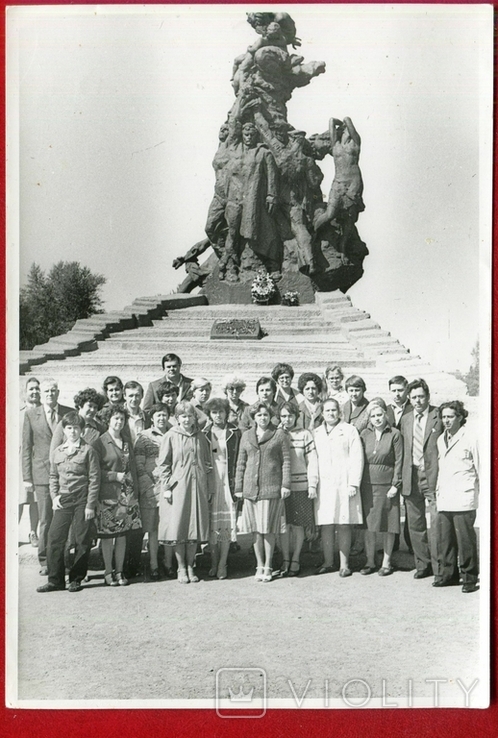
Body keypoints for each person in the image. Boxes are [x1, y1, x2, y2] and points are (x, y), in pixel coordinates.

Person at [37, 412, 100, 593]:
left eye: (76, 428)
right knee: (55, 538)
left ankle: (76, 579)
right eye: (69, 428)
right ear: (64, 430)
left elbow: (94, 479)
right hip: (63, 498)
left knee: (82, 539)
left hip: (82, 498)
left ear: (82, 430)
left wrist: (90, 505)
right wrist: (55, 496)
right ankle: (55, 580)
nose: (73, 432)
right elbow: (53, 476)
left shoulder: (88, 451)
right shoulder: (58, 452)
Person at [157, 401, 214, 584]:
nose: (187, 419)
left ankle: (191, 565)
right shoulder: (171, 436)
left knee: (194, 528)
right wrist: (166, 487)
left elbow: (207, 462)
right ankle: (181, 567)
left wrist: (208, 485)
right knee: (179, 528)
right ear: (177, 418)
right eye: (183, 416)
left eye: (190, 415)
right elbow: (164, 464)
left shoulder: (200, 437)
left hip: (198, 487)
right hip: (178, 488)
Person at [235, 403, 291, 582]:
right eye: (259, 415)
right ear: (254, 417)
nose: (263, 418)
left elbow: (286, 462)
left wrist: (285, 485)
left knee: (268, 530)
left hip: (270, 488)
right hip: (251, 490)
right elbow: (241, 463)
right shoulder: (246, 436)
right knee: (256, 531)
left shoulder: (279, 434)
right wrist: (238, 487)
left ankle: (268, 564)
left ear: (270, 416)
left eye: (266, 415)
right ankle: (259, 564)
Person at [22, 379, 73, 575]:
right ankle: (44, 561)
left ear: (58, 392)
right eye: (46, 391)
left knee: (65, 519)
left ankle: (65, 560)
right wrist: (27, 477)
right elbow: (26, 448)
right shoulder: (30, 415)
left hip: (65, 475)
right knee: (45, 519)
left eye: (53, 390)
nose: (50, 394)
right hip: (42, 475)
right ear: (41, 394)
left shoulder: (68, 412)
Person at [314, 399, 364, 577]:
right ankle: (328, 562)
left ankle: (344, 565)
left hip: (344, 484)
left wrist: (353, 483)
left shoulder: (349, 430)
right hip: (324, 485)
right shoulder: (317, 432)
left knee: (343, 523)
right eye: (327, 411)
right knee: (326, 524)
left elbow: (357, 457)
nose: (331, 413)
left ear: (339, 412)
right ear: (322, 413)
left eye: (334, 410)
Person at [433, 401, 479, 593]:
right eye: (444, 417)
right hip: (445, 497)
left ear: (460, 417)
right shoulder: (441, 439)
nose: (446, 421)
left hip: (463, 497)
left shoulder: (471, 438)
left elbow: (482, 468)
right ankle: (448, 575)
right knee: (446, 540)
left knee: (465, 540)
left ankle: (469, 578)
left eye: (450, 417)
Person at [93, 406, 141, 586]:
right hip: (108, 496)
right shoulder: (100, 442)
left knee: (122, 535)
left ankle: (119, 571)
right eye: (115, 419)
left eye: (122, 419)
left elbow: (133, 469)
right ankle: (107, 572)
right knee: (107, 537)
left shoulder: (127, 441)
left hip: (126, 496)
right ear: (108, 420)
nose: (119, 422)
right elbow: (95, 472)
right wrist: (114, 476)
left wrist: (135, 492)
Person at [400, 379, 443, 579]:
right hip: (411, 475)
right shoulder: (406, 419)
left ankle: (439, 566)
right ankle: (422, 565)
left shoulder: (438, 416)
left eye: (421, 396)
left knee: (437, 523)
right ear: (409, 398)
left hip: (433, 476)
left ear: (428, 396)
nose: (418, 400)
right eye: (414, 397)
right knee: (415, 524)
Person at [359, 399, 403, 576]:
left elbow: (399, 460)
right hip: (368, 486)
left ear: (386, 415)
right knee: (370, 527)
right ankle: (370, 561)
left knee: (388, 525)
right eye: (373, 416)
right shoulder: (364, 434)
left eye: (380, 415)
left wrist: (395, 484)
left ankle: (386, 563)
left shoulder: (395, 434)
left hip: (387, 486)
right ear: (369, 418)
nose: (377, 419)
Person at [314, 116, 364, 261]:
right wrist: (338, 123)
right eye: (344, 131)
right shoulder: (335, 145)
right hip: (338, 183)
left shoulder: (355, 144)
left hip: (353, 185)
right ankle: (314, 235)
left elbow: (348, 120)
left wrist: (345, 122)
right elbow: (330, 121)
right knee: (330, 214)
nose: (347, 133)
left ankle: (343, 251)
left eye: (348, 131)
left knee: (348, 221)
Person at [202, 398, 241, 579]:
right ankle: (214, 561)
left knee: (226, 525)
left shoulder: (235, 432)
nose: (218, 416)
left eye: (221, 412)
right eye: (214, 412)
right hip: (211, 480)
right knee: (212, 525)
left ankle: (223, 563)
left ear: (227, 412)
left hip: (227, 479)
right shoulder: (203, 433)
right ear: (209, 415)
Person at [278, 402, 318, 576]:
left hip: (301, 486)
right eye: (283, 416)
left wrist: (312, 484)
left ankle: (296, 559)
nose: (287, 419)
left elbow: (312, 461)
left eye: (290, 416)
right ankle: (285, 558)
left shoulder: (305, 435)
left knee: (299, 525)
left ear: (296, 416)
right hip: (281, 488)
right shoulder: (276, 433)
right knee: (284, 526)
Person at [134, 403, 172, 580]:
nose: (161, 418)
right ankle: (154, 565)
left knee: (171, 527)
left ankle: (169, 564)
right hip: (151, 487)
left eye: (164, 415)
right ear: (152, 418)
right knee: (153, 529)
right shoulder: (143, 437)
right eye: (158, 415)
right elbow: (139, 466)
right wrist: (147, 487)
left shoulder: (175, 433)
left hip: (171, 486)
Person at [19, 377, 41, 547]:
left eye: (37, 389)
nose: (34, 392)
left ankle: (33, 531)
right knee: (18, 498)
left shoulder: (44, 411)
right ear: (25, 392)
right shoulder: (18, 412)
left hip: (38, 461)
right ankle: (12, 532)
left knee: (35, 500)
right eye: (31, 389)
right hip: (19, 460)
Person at [123, 381, 150, 446]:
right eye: (131, 396)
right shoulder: (117, 416)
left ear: (142, 396)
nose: (134, 399)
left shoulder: (147, 417)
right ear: (124, 396)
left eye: (137, 395)